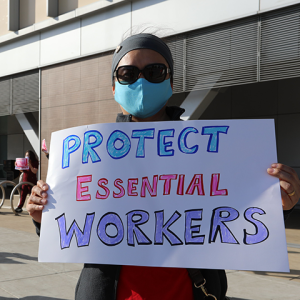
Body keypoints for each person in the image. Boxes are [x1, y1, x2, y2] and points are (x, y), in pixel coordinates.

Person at [26, 33, 299, 300]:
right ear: (114, 86)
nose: (141, 80)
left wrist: (276, 205)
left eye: (154, 71)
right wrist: (43, 216)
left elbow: (240, 217)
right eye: (128, 74)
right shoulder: (88, 154)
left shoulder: (211, 152)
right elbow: (74, 226)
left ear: (169, 80)